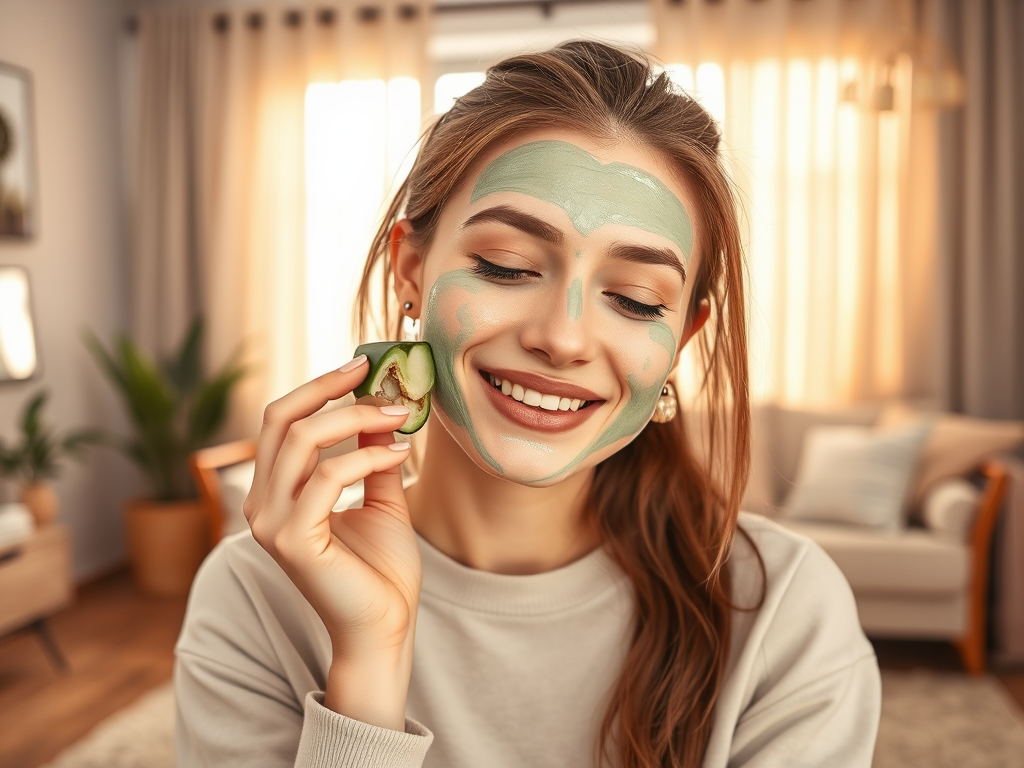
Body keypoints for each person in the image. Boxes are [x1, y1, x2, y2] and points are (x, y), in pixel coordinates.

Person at [175, 41, 881, 768]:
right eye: (506, 266)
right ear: (411, 268)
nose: (563, 337)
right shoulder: (255, 594)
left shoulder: (784, 609)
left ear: (681, 339)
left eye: (635, 300)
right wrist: (368, 668)